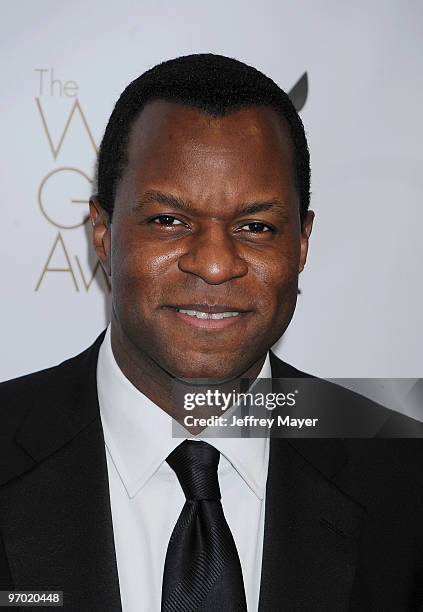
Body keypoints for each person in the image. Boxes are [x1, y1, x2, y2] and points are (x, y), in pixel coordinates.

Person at [1, 54, 422, 612]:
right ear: (102, 234)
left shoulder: (401, 473)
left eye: (256, 227)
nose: (217, 264)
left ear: (301, 244)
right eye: (169, 220)